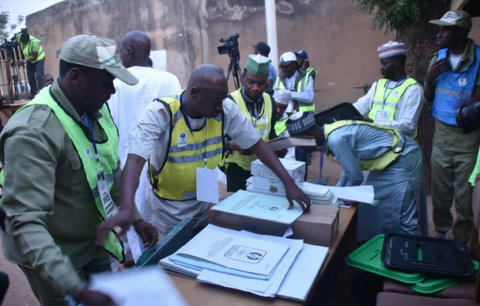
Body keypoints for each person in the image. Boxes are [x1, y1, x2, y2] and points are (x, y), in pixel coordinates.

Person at [0, 34, 158, 306]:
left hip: (91, 239)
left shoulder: (96, 108)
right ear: (76, 77)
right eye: (106, 81)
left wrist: (135, 217)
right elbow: (25, 222)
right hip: (48, 252)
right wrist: (77, 290)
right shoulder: (32, 132)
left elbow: (112, 170)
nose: (112, 91)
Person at [118, 64, 311, 236]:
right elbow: (134, 161)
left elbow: (256, 144)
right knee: (173, 258)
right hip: (169, 208)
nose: (220, 107)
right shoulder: (160, 113)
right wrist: (130, 210)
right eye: (215, 102)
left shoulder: (225, 108)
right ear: (194, 93)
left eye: (222, 100)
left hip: (205, 196)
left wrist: (288, 183)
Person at [305, 106, 427, 241]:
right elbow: (349, 168)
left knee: (403, 214)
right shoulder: (330, 132)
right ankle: (386, 245)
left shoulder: (336, 139)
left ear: (310, 136)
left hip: (402, 157)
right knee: (375, 205)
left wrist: (340, 197)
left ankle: (413, 254)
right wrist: (336, 192)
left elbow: (356, 176)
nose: (303, 148)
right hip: (388, 160)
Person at [107, 30, 181, 218]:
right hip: (164, 164)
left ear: (129, 52)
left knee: (134, 218)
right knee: (163, 221)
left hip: (127, 162)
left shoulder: (116, 83)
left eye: (121, 51)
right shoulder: (169, 79)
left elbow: (110, 125)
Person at [424, 10, 480, 243]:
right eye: (439, 28)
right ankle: (442, 233)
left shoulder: (478, 58)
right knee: (440, 194)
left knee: (465, 198)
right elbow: (429, 97)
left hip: (468, 141)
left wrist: (475, 100)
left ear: (461, 32)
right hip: (442, 138)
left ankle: (462, 243)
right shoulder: (438, 58)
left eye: (445, 29)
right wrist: (429, 79)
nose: (439, 34)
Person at [220, 54, 277, 192]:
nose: (256, 88)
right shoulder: (229, 102)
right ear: (243, 77)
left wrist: (278, 145)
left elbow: (271, 132)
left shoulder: (270, 101)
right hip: (236, 169)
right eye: (251, 82)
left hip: (263, 168)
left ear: (267, 82)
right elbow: (215, 140)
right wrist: (233, 145)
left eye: (261, 83)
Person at [353, 41, 423, 137]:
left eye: (384, 64)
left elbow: (408, 125)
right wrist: (347, 113)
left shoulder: (413, 89)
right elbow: (360, 106)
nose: (381, 68)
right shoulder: (378, 84)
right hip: (371, 135)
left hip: (397, 140)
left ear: (397, 63)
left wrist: (374, 123)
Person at [16, 30, 45, 99]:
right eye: (21, 41)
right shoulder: (19, 36)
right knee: (30, 76)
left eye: (24, 42)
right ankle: (33, 94)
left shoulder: (34, 42)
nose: (22, 43)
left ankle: (42, 93)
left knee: (39, 75)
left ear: (27, 40)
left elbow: (35, 57)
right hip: (29, 59)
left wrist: (23, 61)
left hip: (39, 58)